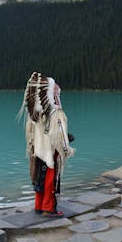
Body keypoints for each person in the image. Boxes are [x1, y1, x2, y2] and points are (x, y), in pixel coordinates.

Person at [19, 72, 75, 218]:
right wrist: (67, 148)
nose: (57, 88)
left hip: (38, 150)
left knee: (39, 177)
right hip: (50, 152)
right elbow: (59, 134)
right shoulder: (56, 113)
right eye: (54, 87)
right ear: (50, 92)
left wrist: (33, 147)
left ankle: (39, 205)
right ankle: (48, 208)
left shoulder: (35, 114)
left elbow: (31, 134)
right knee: (50, 179)